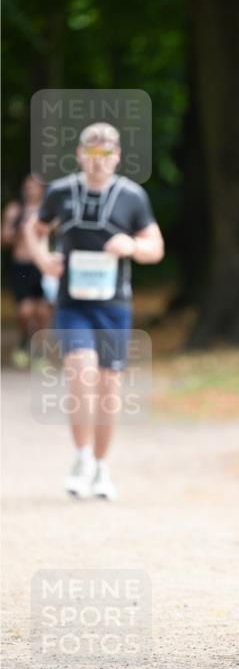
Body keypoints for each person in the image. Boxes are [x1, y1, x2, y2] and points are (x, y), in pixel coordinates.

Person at [24, 122, 164, 500]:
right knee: (80, 372)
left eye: (106, 153)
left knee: (107, 388)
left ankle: (102, 466)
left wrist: (131, 246)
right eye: (92, 152)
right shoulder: (61, 191)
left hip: (113, 306)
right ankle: (81, 457)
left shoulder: (131, 195)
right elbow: (34, 229)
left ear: (117, 156)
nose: (99, 160)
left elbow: (155, 247)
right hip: (73, 304)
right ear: (80, 154)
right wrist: (42, 259)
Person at [1, 176, 52, 367]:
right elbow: (4, 238)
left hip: (42, 266)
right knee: (25, 311)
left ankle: (40, 350)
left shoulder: (48, 210)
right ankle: (25, 339)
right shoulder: (15, 210)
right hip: (21, 265)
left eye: (34, 187)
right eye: (27, 187)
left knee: (43, 312)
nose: (30, 191)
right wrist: (15, 233)